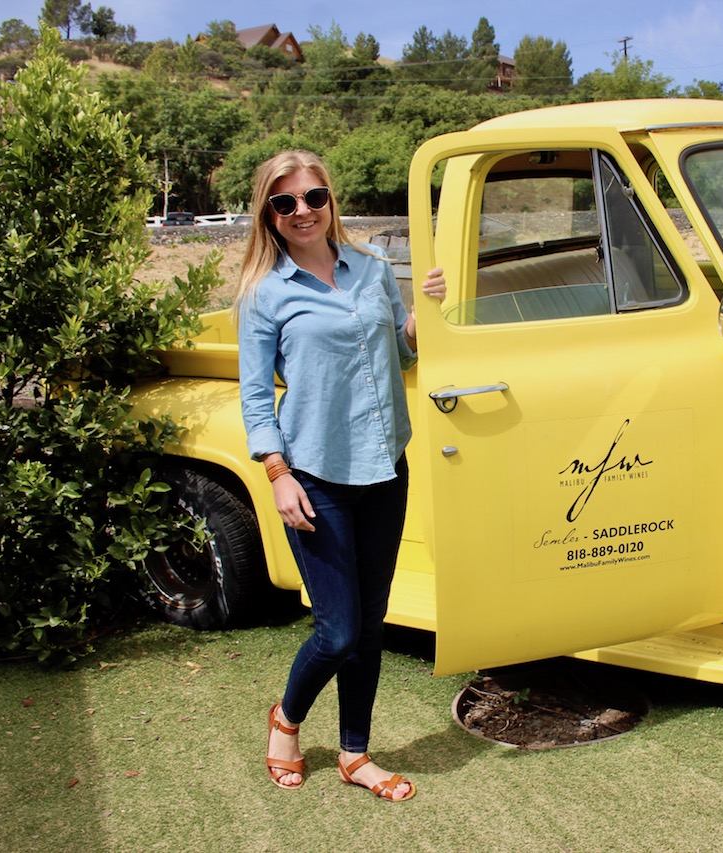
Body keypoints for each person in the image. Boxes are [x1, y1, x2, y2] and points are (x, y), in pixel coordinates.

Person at [234, 150, 445, 798]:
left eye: (313, 197)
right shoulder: (264, 295)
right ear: (268, 213)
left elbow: (404, 354)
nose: (302, 211)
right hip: (314, 475)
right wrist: (277, 473)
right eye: (285, 202)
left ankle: (355, 753)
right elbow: (253, 397)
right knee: (339, 629)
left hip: (384, 468)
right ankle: (286, 719)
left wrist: (422, 315)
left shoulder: (375, 270)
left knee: (371, 623)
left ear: (332, 200)